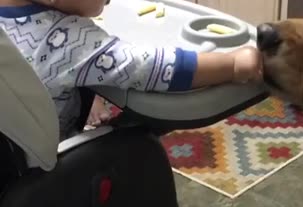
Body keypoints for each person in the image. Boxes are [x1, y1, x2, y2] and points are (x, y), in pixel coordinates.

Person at [0, 0, 263, 139]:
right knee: (139, 145)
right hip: (43, 174)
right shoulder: (70, 40)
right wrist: (234, 64)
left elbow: (44, 70)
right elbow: (151, 67)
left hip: (9, 161)